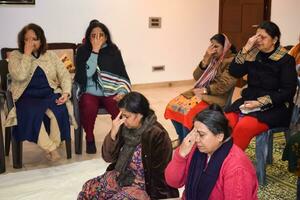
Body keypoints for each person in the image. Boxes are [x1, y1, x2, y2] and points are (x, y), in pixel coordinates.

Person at [78, 92, 179, 199]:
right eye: (122, 115)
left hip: (142, 185)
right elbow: (108, 158)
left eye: (126, 116)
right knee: (88, 189)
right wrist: (113, 133)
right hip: (121, 175)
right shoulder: (125, 126)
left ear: (140, 114)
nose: (123, 119)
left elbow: (160, 174)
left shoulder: (157, 135)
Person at [6, 23, 76, 161]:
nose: (31, 43)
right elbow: (20, 75)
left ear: (41, 40)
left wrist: (66, 93)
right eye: (27, 39)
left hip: (48, 94)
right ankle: (51, 149)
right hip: (25, 96)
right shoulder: (15, 56)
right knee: (30, 112)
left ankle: (53, 146)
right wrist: (26, 54)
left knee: (60, 110)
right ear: (22, 41)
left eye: (35, 39)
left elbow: (64, 75)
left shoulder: (50, 55)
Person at [225, 21, 298, 150]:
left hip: (275, 106)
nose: (258, 40)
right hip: (250, 101)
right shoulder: (253, 54)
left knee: (244, 127)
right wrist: (246, 48)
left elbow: (288, 92)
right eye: (257, 36)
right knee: (226, 122)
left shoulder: (286, 60)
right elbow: (234, 71)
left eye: (263, 37)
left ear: (274, 39)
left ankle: (230, 163)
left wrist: (260, 103)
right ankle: (220, 158)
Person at [165, 104, 258, 200]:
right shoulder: (196, 149)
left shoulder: (237, 168)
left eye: (201, 134)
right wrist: (180, 155)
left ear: (219, 136)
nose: (196, 139)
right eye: (195, 133)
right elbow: (173, 182)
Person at [164, 33, 237, 142]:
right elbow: (196, 76)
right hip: (202, 92)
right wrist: (205, 60)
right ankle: (182, 138)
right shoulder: (213, 58)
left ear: (226, 47)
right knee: (173, 105)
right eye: (211, 46)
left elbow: (224, 85)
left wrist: (206, 90)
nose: (212, 49)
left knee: (188, 113)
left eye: (216, 46)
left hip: (217, 97)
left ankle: (189, 142)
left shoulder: (232, 61)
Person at [75, 21, 131, 154]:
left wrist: (122, 92)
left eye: (101, 35)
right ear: (89, 37)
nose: (97, 38)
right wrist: (94, 51)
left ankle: (119, 137)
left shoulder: (113, 50)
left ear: (106, 37)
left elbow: (121, 74)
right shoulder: (83, 51)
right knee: (88, 105)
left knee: (119, 107)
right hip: (90, 91)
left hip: (110, 91)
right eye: (93, 35)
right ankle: (89, 137)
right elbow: (87, 73)